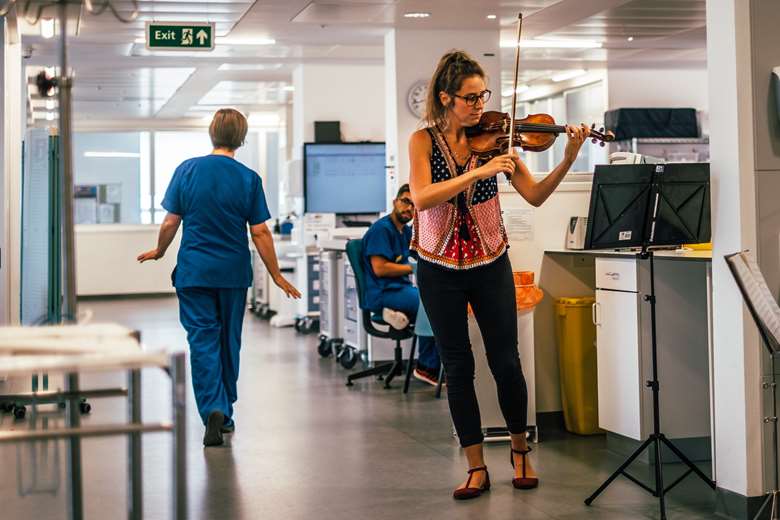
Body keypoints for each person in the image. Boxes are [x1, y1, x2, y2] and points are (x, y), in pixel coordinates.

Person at [408, 50, 589, 500]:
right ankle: (475, 466)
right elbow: (423, 198)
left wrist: (566, 158)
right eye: (470, 97)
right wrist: (482, 170)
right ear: (446, 98)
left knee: (506, 361)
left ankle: (520, 450)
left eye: (483, 95)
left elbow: (535, 196)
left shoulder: (502, 141)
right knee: (458, 365)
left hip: (490, 259)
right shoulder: (424, 142)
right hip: (438, 264)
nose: (480, 105)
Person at [138, 108, 300, 447]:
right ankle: (224, 411)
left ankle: (212, 407)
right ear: (241, 138)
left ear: (212, 134)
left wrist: (160, 250)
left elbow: (170, 222)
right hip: (232, 274)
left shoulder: (187, 170)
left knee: (202, 340)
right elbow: (260, 232)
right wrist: (276, 274)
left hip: (194, 272)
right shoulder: (249, 178)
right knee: (229, 341)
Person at [361, 184, 441, 385]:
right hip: (383, 292)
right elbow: (380, 268)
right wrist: (413, 269)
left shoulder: (405, 232)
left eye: (414, 205)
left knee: (435, 300)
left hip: (400, 289)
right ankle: (427, 367)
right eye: (405, 201)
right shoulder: (381, 229)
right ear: (394, 202)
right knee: (429, 305)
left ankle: (437, 365)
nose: (409, 208)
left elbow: (420, 255)